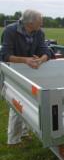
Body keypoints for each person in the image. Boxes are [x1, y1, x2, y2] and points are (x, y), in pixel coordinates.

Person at [1, 9, 51, 148]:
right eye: (40, 21)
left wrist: (41, 59)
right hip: (14, 71)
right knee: (17, 104)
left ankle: (23, 133)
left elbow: (45, 51)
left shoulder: (39, 32)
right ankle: (13, 140)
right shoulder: (10, 31)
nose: (42, 23)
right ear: (30, 23)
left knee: (28, 102)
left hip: (30, 71)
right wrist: (24, 60)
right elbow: (5, 55)